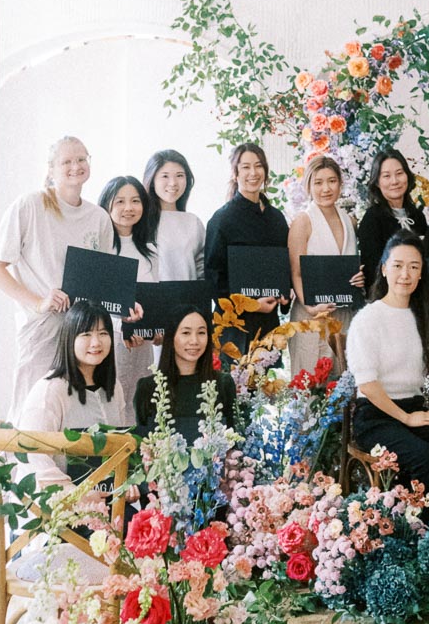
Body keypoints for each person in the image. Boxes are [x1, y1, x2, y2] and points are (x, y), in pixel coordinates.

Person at [0, 135, 115, 421]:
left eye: (81, 159)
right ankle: (22, 468)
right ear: (51, 168)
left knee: (73, 411)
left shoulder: (98, 217)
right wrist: (39, 302)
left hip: (83, 332)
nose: (76, 166)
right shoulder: (29, 205)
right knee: (31, 407)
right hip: (42, 327)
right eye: (66, 161)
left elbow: (104, 277)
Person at [346, 233, 429, 513]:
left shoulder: (426, 316)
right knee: (424, 458)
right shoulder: (368, 319)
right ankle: (419, 529)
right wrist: (406, 418)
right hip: (375, 415)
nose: (405, 274)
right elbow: (368, 384)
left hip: (413, 407)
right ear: (384, 268)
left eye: (414, 266)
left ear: (422, 273)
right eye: (397, 265)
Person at [19, 300, 126, 490]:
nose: (96, 342)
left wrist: (125, 484)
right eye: (86, 334)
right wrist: (75, 495)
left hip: (103, 504)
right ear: (70, 339)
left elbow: (119, 451)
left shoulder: (113, 388)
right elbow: (33, 457)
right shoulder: (50, 390)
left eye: (103, 333)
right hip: (58, 508)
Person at [204, 143, 289, 351]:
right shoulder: (222, 219)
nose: (253, 173)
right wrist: (252, 305)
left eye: (258, 166)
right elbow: (213, 276)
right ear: (235, 173)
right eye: (245, 167)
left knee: (269, 382)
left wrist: (286, 294)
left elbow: (283, 266)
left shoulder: (276, 218)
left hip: (269, 323)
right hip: (235, 327)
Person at [287, 156, 363, 374]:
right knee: (311, 385)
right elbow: (296, 272)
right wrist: (310, 306)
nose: (326, 188)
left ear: (340, 183)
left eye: (332, 181)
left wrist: (359, 278)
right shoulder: (304, 221)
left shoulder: (349, 220)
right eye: (318, 182)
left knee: (342, 384)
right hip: (312, 316)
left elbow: (347, 266)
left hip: (343, 313)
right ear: (309, 186)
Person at [98, 175, 157, 425]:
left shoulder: (151, 251)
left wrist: (153, 331)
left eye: (135, 201)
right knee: (109, 407)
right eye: (120, 201)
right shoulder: (99, 247)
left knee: (139, 407)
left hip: (142, 345)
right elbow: (94, 301)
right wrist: (121, 327)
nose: (128, 208)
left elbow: (153, 300)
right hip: (107, 343)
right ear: (107, 205)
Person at [134, 305, 236, 445]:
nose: (194, 341)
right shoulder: (148, 387)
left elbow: (232, 442)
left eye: (201, 333)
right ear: (171, 337)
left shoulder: (223, 383)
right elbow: (143, 446)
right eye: (186, 333)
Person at [356, 150, 428, 288]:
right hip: (386, 299)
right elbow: (372, 270)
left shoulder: (418, 216)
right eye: (386, 176)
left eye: (399, 173)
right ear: (377, 182)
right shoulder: (372, 218)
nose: (394, 181)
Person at [143, 149, 205, 281]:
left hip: (189, 299)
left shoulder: (193, 222)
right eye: (165, 176)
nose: (173, 183)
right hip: (148, 300)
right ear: (152, 180)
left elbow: (202, 270)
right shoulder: (140, 221)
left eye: (180, 175)